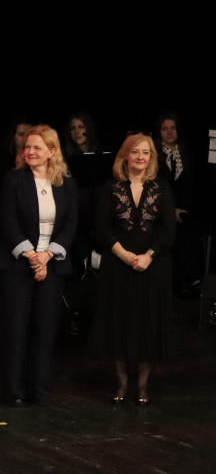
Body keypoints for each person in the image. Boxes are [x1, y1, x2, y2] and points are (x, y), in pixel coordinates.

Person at [0, 126, 77, 405]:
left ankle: (38, 389)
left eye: (37, 148)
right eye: (27, 147)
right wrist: (31, 256)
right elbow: (8, 222)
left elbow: (70, 224)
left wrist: (47, 256)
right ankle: (14, 390)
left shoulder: (65, 182)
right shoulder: (14, 180)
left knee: (45, 329)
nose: (30, 152)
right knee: (16, 329)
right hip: (17, 266)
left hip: (51, 266)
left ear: (52, 152)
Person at [92, 133, 175, 406]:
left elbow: (168, 230)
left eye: (146, 153)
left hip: (152, 265)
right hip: (118, 264)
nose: (141, 157)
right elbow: (101, 228)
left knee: (146, 324)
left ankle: (142, 386)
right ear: (125, 155)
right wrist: (125, 255)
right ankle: (122, 382)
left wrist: (149, 256)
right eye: (135, 152)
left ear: (151, 158)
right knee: (120, 322)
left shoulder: (161, 187)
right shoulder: (111, 187)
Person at [155, 112, 202, 297]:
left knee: (188, 227)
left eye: (172, 128)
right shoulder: (155, 155)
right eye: (165, 129)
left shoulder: (186, 153)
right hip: (161, 207)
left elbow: (189, 185)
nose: (169, 132)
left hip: (183, 207)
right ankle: (182, 281)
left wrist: (181, 207)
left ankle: (190, 280)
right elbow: (157, 186)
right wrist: (170, 209)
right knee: (172, 229)